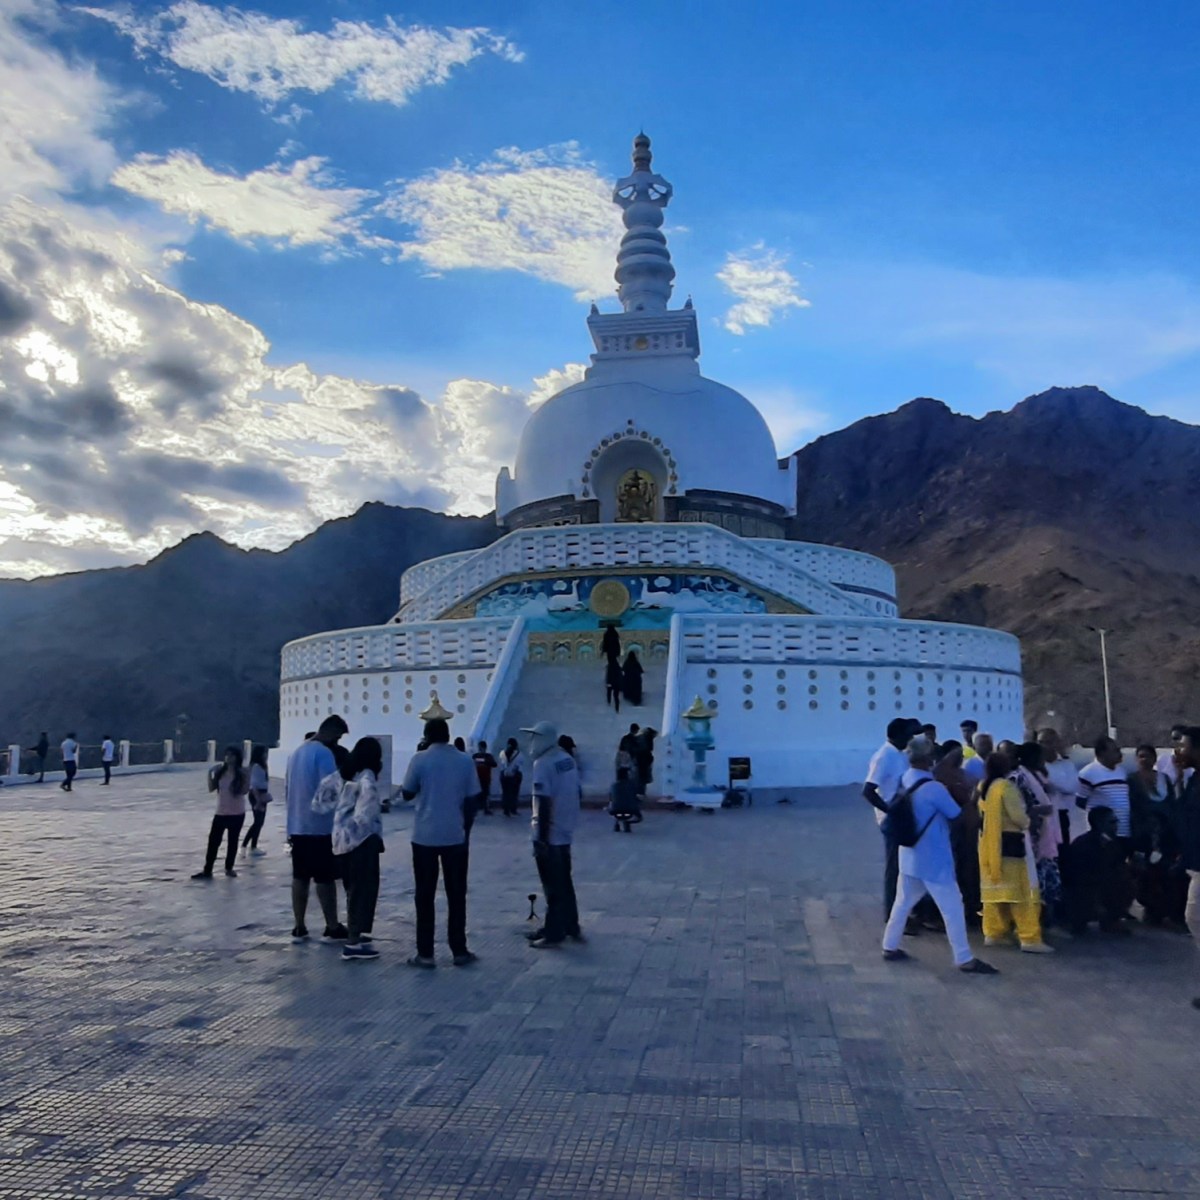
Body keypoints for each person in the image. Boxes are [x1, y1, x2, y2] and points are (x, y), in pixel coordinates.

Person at [881, 736, 996, 975]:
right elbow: (957, 816)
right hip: (934, 858)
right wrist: (971, 797)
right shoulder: (933, 789)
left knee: (903, 902)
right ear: (928, 758)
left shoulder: (905, 780)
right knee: (953, 907)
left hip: (909, 854)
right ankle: (964, 958)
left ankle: (889, 945)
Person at [401, 717, 481, 968]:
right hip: (454, 836)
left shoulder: (420, 759)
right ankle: (459, 949)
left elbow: (407, 792)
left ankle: (425, 953)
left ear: (426, 735)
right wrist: (465, 831)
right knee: (456, 895)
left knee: (424, 895)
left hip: (424, 836)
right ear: (448, 735)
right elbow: (472, 801)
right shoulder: (464, 760)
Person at [977, 748, 1053, 953]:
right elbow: (1019, 817)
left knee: (995, 892)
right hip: (1011, 845)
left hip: (988, 845)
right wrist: (1030, 820)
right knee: (1023, 892)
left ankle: (994, 933)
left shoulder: (983, 786)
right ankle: (1029, 937)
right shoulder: (1006, 787)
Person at [284, 714, 349, 943]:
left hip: (297, 825)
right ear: (331, 733)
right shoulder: (323, 754)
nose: (338, 742)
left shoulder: (297, 753)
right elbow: (331, 789)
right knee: (325, 878)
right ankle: (332, 925)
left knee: (300, 877)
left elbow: (287, 789)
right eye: (338, 737)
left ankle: (299, 925)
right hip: (319, 826)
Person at [320, 737, 384, 962]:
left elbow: (322, 799)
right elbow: (365, 814)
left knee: (352, 889)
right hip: (361, 842)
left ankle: (355, 934)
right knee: (362, 890)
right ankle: (353, 941)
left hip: (340, 841)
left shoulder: (346, 775)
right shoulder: (367, 779)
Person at [524, 720, 582, 948]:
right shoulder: (566, 759)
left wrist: (542, 838)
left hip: (550, 833)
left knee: (552, 887)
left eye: (535, 737)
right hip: (565, 831)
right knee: (565, 881)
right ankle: (570, 924)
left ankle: (554, 932)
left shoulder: (543, 764)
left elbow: (544, 802)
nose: (531, 742)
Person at [863, 718, 918, 929]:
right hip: (892, 819)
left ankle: (904, 913)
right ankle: (893, 917)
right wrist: (889, 810)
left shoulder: (899, 755)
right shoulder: (884, 756)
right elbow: (868, 791)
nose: (911, 738)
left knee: (905, 866)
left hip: (903, 815)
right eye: (908, 734)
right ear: (897, 735)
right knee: (894, 868)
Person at [1128, 744, 1185, 927]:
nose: (1144, 760)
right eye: (1141, 756)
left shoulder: (1164, 779)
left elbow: (1171, 804)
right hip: (1143, 833)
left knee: (1165, 871)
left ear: (1154, 759)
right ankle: (1150, 909)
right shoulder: (1132, 780)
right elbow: (1133, 808)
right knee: (1145, 873)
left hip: (1164, 833)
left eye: (1148, 756)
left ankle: (1167, 910)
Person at [1167, 726, 1200, 1008]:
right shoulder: (1193, 778)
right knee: (1195, 919)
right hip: (1195, 861)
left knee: (1194, 916)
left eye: (1185, 746)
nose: (1180, 751)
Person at [1062, 806, 1133, 935]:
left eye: (1116, 822)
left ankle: (1111, 918)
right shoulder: (1083, 844)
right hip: (1083, 888)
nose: (1116, 826)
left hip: (1101, 885)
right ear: (1100, 824)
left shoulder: (1113, 843)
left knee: (1127, 878)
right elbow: (1076, 874)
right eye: (1112, 822)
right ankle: (1083, 917)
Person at [1014, 741, 1062, 926]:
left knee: (1050, 881)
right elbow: (1021, 807)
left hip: (1046, 834)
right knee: (1035, 882)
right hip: (1032, 837)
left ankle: (1047, 920)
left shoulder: (1040, 776)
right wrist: (1042, 809)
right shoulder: (1019, 777)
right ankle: (1034, 923)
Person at [935, 740, 981, 927]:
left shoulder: (964, 774)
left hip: (969, 830)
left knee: (969, 869)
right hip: (952, 829)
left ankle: (970, 909)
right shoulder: (940, 775)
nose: (960, 758)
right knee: (954, 870)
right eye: (956, 755)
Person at [192, 745, 249, 880]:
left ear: (237, 758)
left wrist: (245, 777)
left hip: (237, 812)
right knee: (213, 842)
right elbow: (212, 788)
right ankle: (207, 869)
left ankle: (229, 867)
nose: (229, 758)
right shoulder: (220, 772)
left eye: (232, 755)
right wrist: (210, 774)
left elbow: (244, 791)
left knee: (232, 841)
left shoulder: (241, 773)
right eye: (227, 755)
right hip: (221, 812)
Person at [1077, 737, 1132, 856]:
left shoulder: (1122, 772)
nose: (1119, 754)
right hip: (1104, 834)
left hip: (1124, 830)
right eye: (1115, 750)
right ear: (1102, 753)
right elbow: (1080, 802)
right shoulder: (1087, 773)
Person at [1037, 727, 1078, 847]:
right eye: (1040, 743)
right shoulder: (1036, 765)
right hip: (1042, 817)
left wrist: (1048, 782)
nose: (1044, 746)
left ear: (1056, 743)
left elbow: (1071, 787)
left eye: (1048, 742)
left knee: (1063, 853)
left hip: (1061, 816)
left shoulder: (1066, 764)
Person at [241, 744, 272, 856]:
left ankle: (252, 845)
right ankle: (248, 845)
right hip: (257, 794)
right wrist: (258, 800)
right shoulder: (256, 767)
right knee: (257, 822)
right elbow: (254, 785)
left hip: (262, 793)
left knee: (259, 822)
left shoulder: (262, 766)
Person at [1157, 725, 1194, 793]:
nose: (1177, 741)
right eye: (1174, 738)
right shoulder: (1162, 760)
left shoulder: (1194, 761)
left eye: (1180, 738)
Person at [608, 766, 640, 832]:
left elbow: (611, 797)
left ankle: (617, 824)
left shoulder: (614, 785)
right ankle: (627, 823)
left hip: (615, 810)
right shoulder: (632, 784)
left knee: (616, 806)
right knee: (638, 817)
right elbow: (637, 795)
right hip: (630, 809)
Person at [498, 737, 524, 816]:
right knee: (514, 793)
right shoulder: (519, 754)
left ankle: (506, 810)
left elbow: (501, 764)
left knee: (505, 793)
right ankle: (513, 809)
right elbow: (520, 765)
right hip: (515, 776)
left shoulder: (502, 753)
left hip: (504, 775)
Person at [472, 740, 497, 817]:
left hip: (485, 778)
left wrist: (485, 762)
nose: (480, 750)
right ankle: (476, 809)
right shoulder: (475, 756)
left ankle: (486, 809)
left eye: (481, 748)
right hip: (478, 778)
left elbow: (494, 764)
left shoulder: (488, 756)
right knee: (477, 795)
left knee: (486, 794)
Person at [633, 727, 656, 798]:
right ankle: (640, 792)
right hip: (643, 760)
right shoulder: (645, 739)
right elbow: (648, 749)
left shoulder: (639, 738)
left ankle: (639, 792)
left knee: (640, 777)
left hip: (640, 760)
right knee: (642, 778)